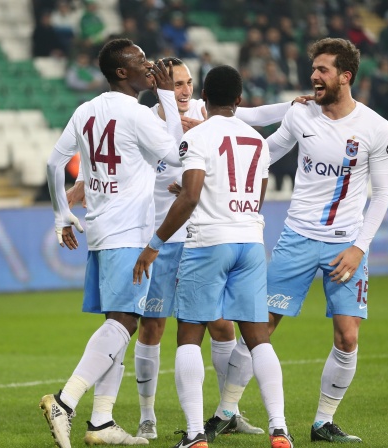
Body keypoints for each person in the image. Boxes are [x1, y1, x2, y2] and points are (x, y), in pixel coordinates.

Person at [67, 56, 309, 441]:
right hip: (192, 235)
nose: (183, 90)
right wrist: (84, 179)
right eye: (176, 83)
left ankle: (220, 415)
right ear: (163, 85)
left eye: (188, 83)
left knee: (209, 329)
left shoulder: (199, 122)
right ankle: (149, 416)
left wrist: (291, 106)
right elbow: (112, 155)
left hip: (196, 237)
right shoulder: (147, 119)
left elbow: (247, 121)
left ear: (201, 92)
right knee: (154, 326)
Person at [209, 37, 388, 444]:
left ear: (345, 76)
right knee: (259, 327)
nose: (314, 76)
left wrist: (359, 247)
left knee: (347, 336)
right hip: (297, 238)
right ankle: (225, 411)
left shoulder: (376, 128)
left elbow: (381, 195)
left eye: (323, 69)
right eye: (313, 69)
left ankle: (323, 422)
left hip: (346, 245)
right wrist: (211, 168)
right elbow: (263, 153)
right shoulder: (300, 114)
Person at [133, 64, 294, 448]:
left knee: (189, 336)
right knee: (258, 338)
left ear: (204, 96)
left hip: (208, 242)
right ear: (239, 99)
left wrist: (154, 244)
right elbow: (257, 195)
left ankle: (194, 435)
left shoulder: (198, 136)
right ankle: (280, 429)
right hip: (250, 242)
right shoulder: (257, 140)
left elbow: (190, 196)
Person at [38, 38, 184, 448]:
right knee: (124, 323)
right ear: (122, 72)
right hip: (130, 233)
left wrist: (61, 214)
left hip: (102, 230)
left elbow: (53, 163)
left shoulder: (86, 110)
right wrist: (167, 96)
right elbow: (176, 155)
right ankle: (65, 402)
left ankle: (102, 421)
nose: (149, 65)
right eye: (141, 61)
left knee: (117, 325)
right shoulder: (136, 114)